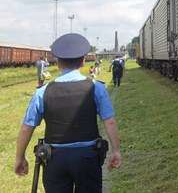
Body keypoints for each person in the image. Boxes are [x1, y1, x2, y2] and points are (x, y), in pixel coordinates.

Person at [14, 33, 122, 192]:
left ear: (57, 62)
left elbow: (26, 127)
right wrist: (116, 150)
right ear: (83, 61)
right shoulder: (96, 88)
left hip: (55, 160)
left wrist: (20, 157)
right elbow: (110, 121)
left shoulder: (42, 92)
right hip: (88, 158)